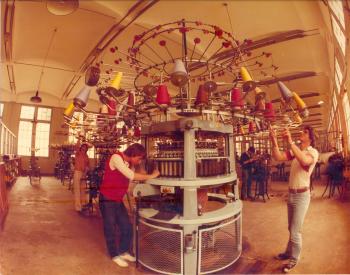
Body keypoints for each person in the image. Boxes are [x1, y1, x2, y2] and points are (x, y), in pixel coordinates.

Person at [99, 143, 160, 268]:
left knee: (127, 226)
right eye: (139, 158)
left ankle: (123, 251)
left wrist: (143, 166)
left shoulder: (131, 164)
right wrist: (152, 175)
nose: (139, 161)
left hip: (117, 199)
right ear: (132, 155)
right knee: (110, 228)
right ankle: (114, 255)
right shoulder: (116, 158)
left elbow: (138, 174)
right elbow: (131, 176)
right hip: (107, 199)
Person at [270, 125, 318, 273]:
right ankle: (288, 252)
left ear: (310, 137)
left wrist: (290, 141)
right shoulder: (296, 150)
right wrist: (274, 141)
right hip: (291, 194)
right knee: (291, 228)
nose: (301, 133)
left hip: (302, 196)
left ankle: (294, 258)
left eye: (304, 132)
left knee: (296, 231)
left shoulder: (312, 152)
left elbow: (304, 161)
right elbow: (278, 157)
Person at [73, 141, 90, 213]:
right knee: (77, 190)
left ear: (87, 149)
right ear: (81, 148)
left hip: (83, 173)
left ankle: (83, 204)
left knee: (82, 190)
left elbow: (87, 165)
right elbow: (76, 146)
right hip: (77, 172)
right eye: (83, 147)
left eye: (85, 147)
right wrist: (79, 139)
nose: (84, 148)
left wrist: (86, 171)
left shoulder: (86, 156)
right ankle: (78, 207)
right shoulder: (78, 153)